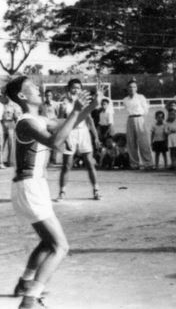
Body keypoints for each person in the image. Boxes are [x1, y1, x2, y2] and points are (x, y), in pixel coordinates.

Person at [7, 76, 98, 309]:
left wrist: (89, 107)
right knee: (60, 247)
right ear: (22, 96)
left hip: (30, 187)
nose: (38, 89)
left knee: (47, 243)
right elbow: (56, 141)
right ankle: (31, 299)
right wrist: (77, 110)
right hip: (30, 187)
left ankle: (25, 284)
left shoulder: (38, 119)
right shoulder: (26, 122)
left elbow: (69, 124)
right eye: (33, 87)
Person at [56, 79, 101, 201]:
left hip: (84, 133)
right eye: (73, 87)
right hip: (70, 133)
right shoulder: (63, 103)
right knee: (67, 165)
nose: (76, 90)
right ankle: (62, 192)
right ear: (68, 88)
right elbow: (59, 123)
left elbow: (90, 121)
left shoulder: (84, 102)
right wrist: (63, 138)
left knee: (90, 162)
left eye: (78, 88)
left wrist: (96, 136)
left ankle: (96, 190)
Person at [122, 80, 153, 170]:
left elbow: (146, 109)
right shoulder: (125, 100)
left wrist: (140, 117)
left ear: (136, 88)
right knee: (131, 142)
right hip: (130, 119)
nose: (132, 89)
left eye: (134, 87)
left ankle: (148, 163)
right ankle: (134, 163)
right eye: (130, 87)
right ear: (127, 88)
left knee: (143, 142)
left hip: (140, 118)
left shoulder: (141, 97)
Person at [165, 102, 176, 170]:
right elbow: (166, 130)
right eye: (170, 112)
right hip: (170, 139)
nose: (172, 113)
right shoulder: (167, 122)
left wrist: (170, 130)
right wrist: (169, 131)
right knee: (172, 152)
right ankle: (173, 163)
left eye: (173, 112)